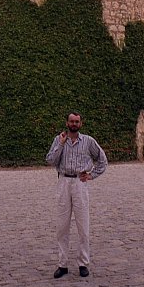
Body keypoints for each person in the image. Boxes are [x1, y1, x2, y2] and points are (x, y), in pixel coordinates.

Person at [46, 111, 107, 278]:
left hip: (80, 183)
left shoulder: (88, 142)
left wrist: (91, 175)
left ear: (81, 124)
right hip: (64, 182)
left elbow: (102, 160)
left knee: (83, 226)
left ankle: (83, 263)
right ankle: (62, 264)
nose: (74, 124)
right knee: (62, 226)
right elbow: (50, 160)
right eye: (71, 121)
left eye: (77, 122)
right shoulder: (59, 140)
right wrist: (60, 144)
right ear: (67, 122)